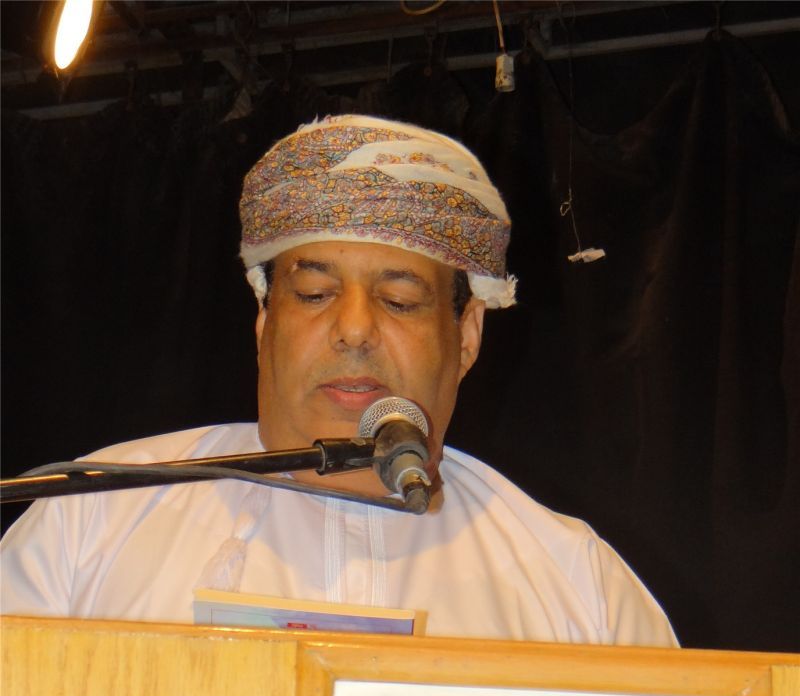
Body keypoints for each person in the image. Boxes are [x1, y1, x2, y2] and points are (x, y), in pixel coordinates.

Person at [0, 115, 676, 646]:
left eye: (400, 301)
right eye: (315, 294)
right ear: (264, 323)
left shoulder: (577, 586)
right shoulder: (92, 520)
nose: (354, 329)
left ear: (467, 335)